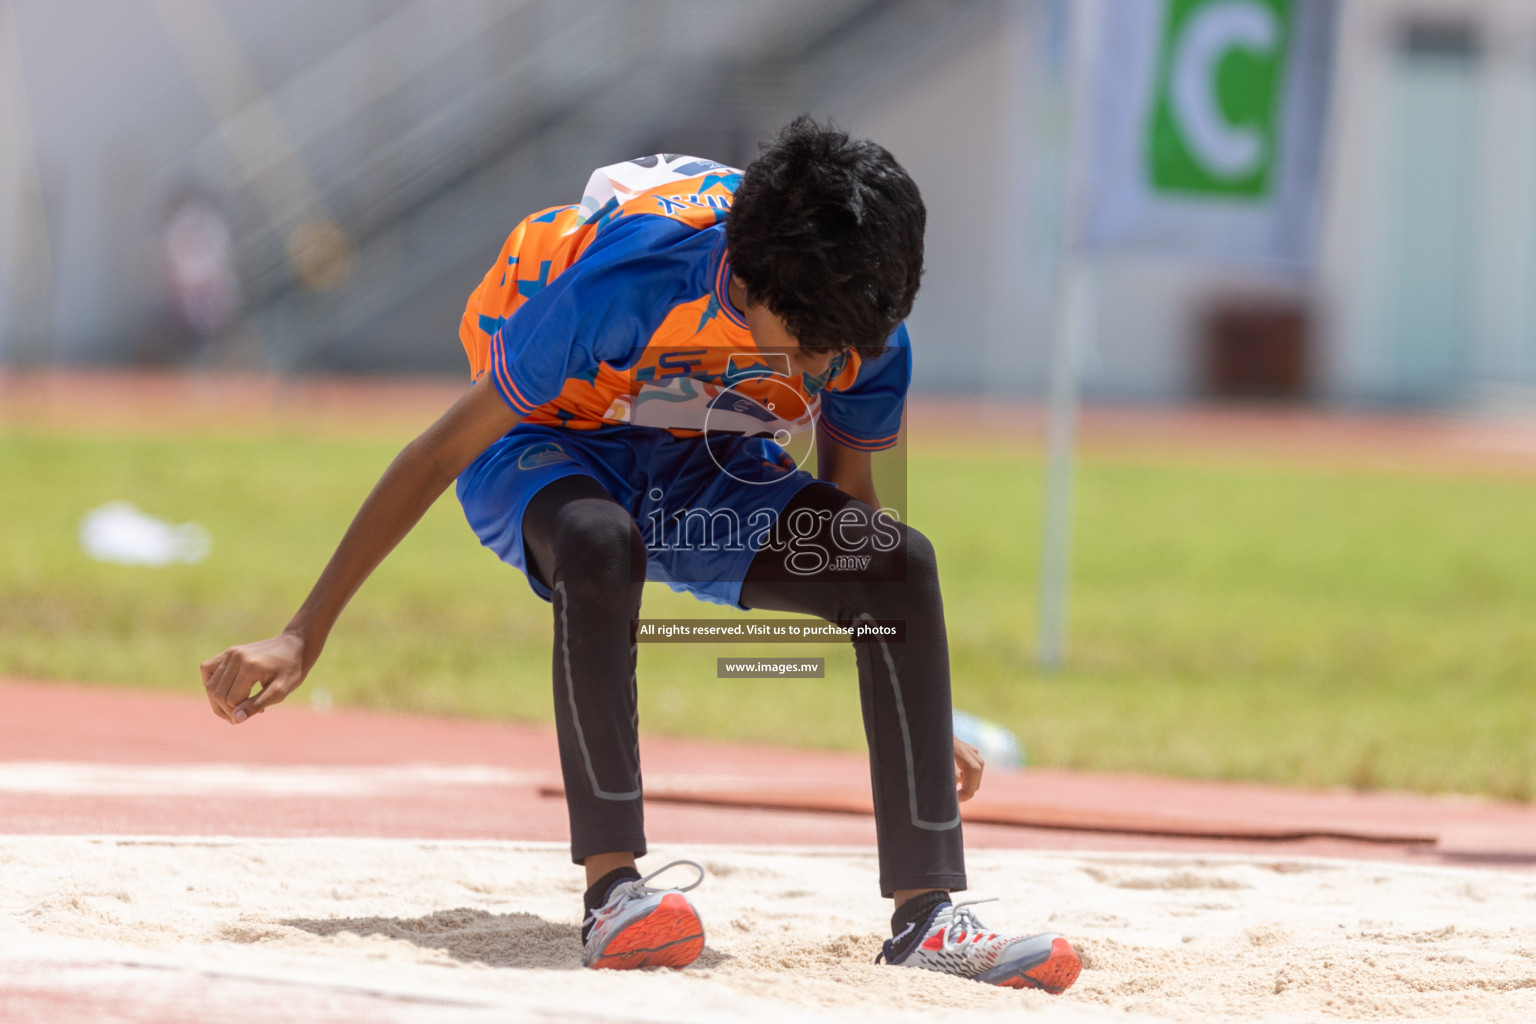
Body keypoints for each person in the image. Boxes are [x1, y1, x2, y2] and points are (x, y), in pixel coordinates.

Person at [199, 117, 1081, 993]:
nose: (828, 375)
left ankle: (927, 918)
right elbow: (438, 452)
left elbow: (853, 512)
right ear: (753, 284)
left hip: (701, 455)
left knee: (897, 562)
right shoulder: (625, 285)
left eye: (851, 352)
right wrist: (302, 633)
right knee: (598, 539)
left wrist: (927, 719)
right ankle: (614, 896)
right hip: (547, 445)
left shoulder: (855, 322)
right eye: (811, 355)